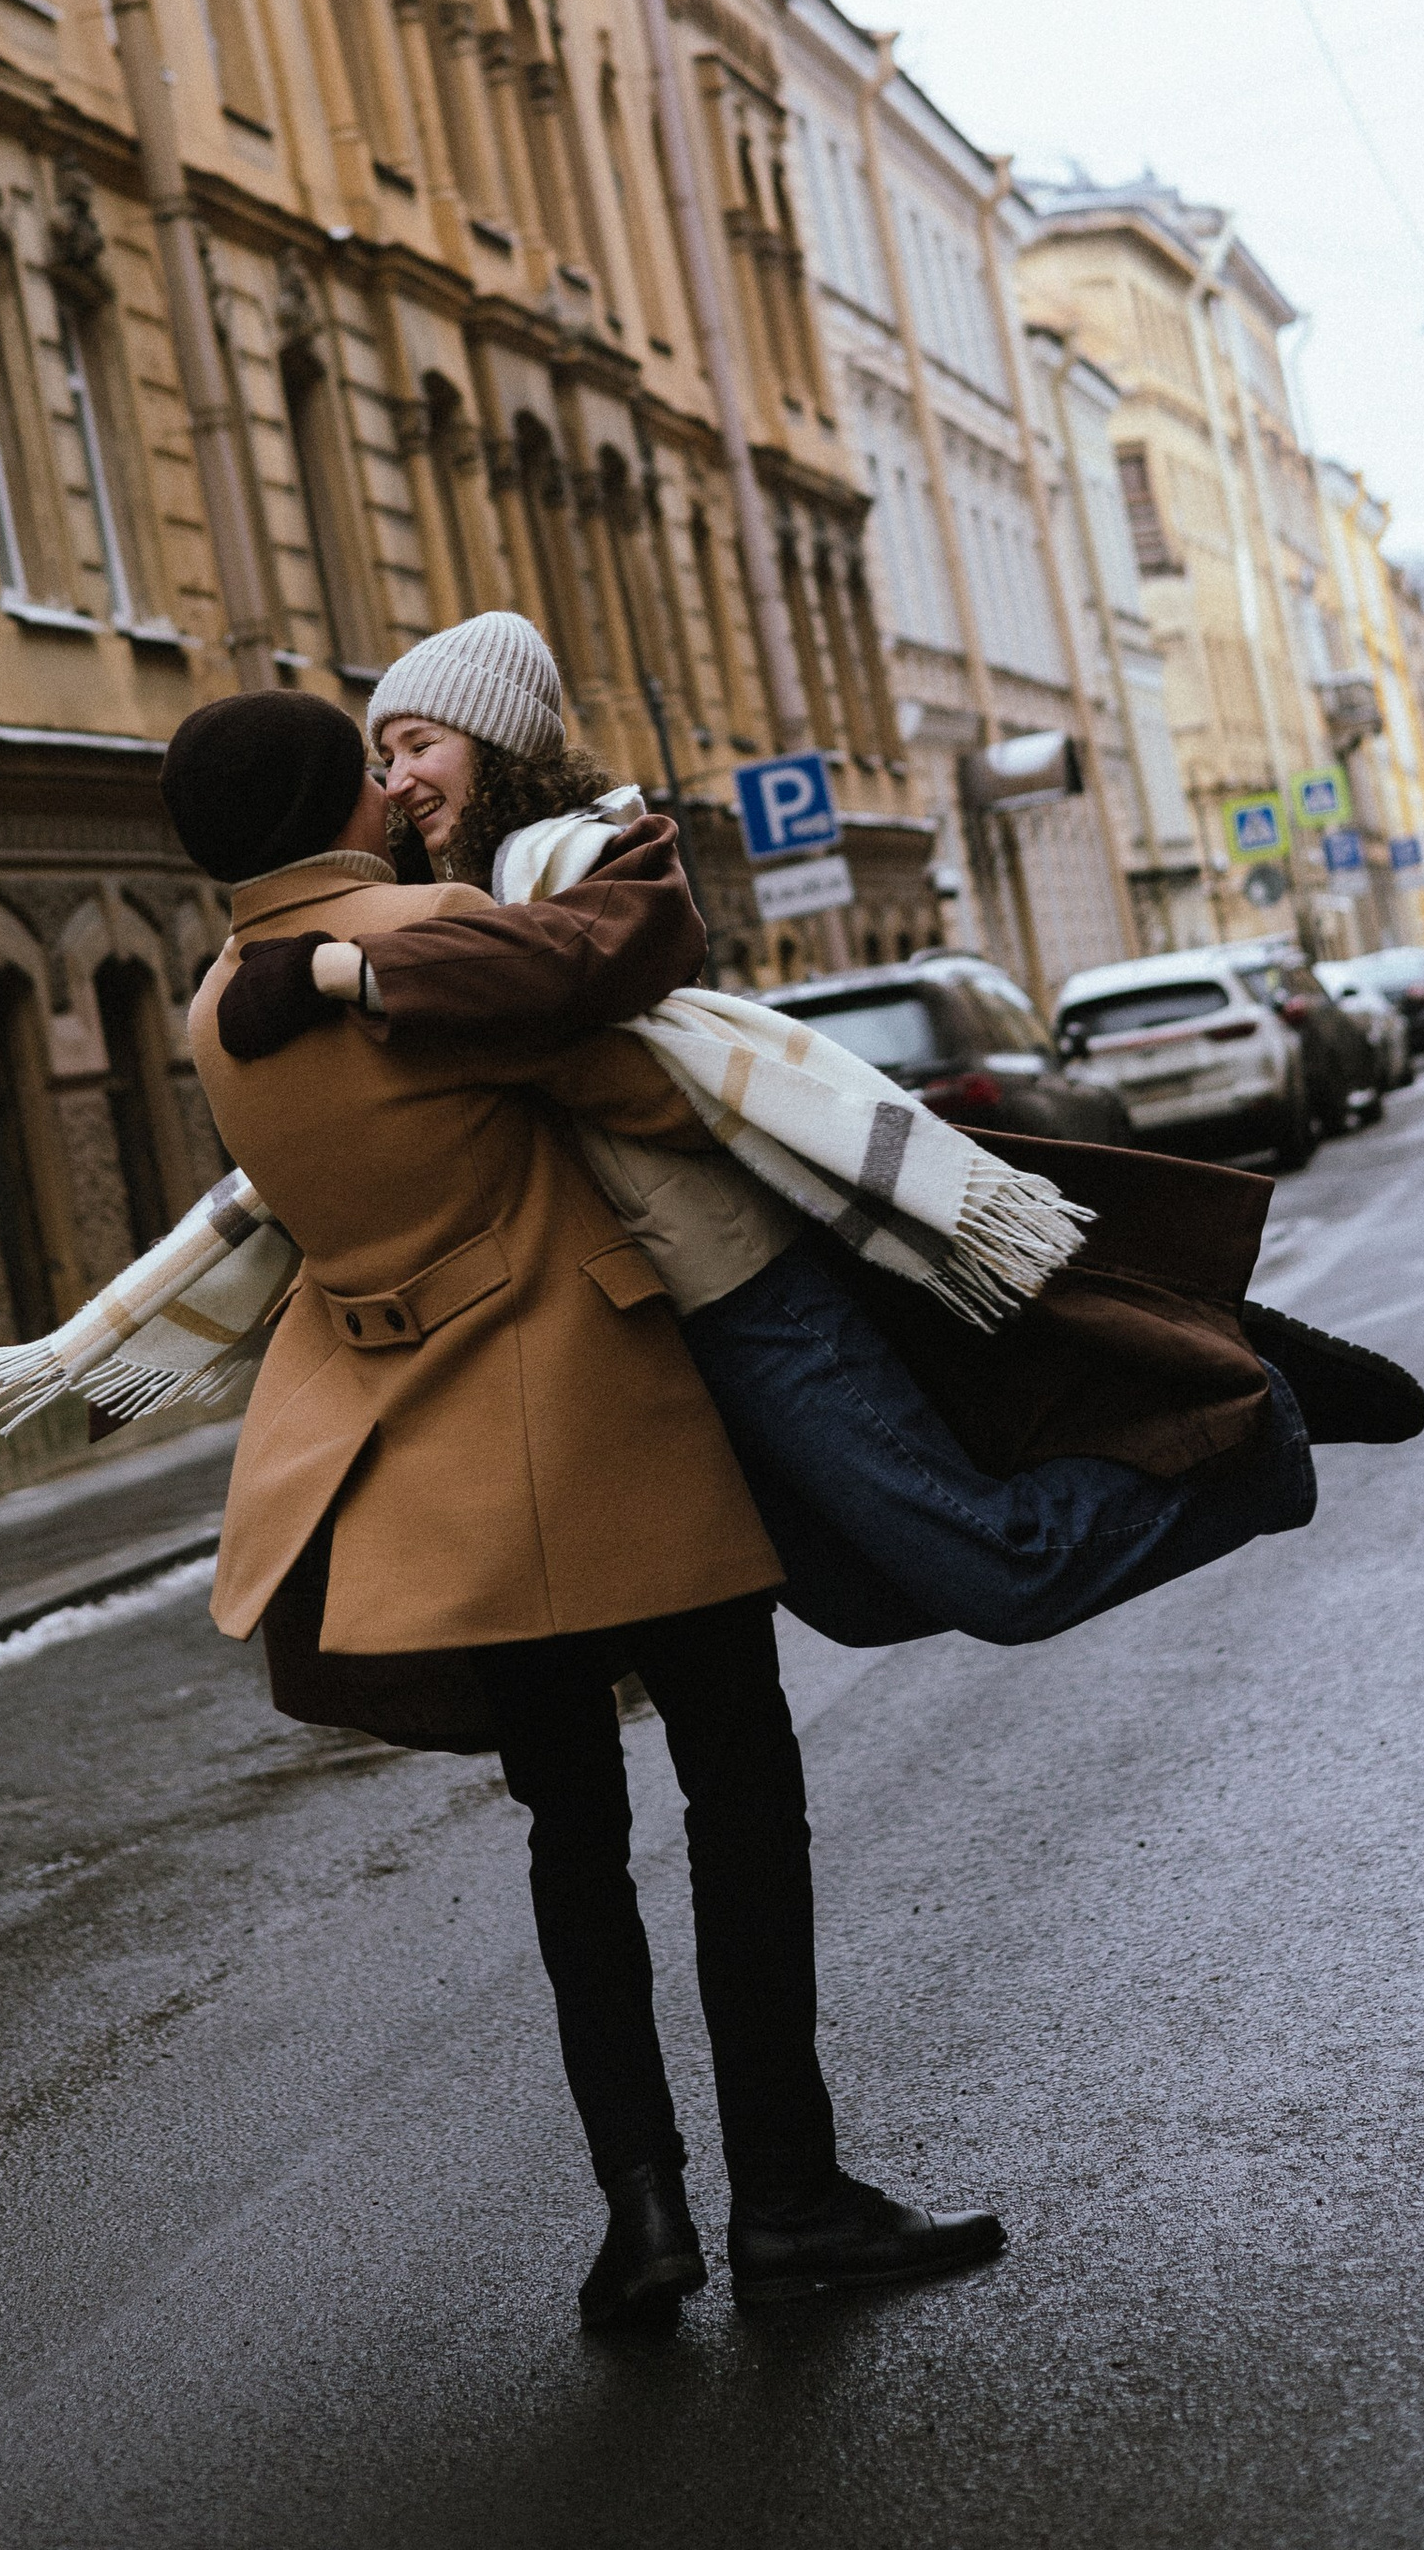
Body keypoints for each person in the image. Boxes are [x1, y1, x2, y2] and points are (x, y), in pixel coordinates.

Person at [160, 680, 1005, 2332]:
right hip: (605, 1409)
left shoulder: (215, 1009)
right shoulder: (429, 939)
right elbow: (631, 1067)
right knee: (740, 1789)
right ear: (331, 803)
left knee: (574, 1838)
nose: (393, 789)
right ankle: (790, 2195)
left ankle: (642, 2212)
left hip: (438, 1470)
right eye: (366, 769)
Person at [220, 615, 1417, 1669]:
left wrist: (341, 969)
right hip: (651, 1322)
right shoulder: (466, 907)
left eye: (419, 744)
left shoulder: (586, 853)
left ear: (499, 743)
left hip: (747, 1293)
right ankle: (1212, 1410)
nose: (397, 780)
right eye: (380, 759)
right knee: (848, 1596)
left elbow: (581, 961)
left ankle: (1251, 1435)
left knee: (998, 1572)